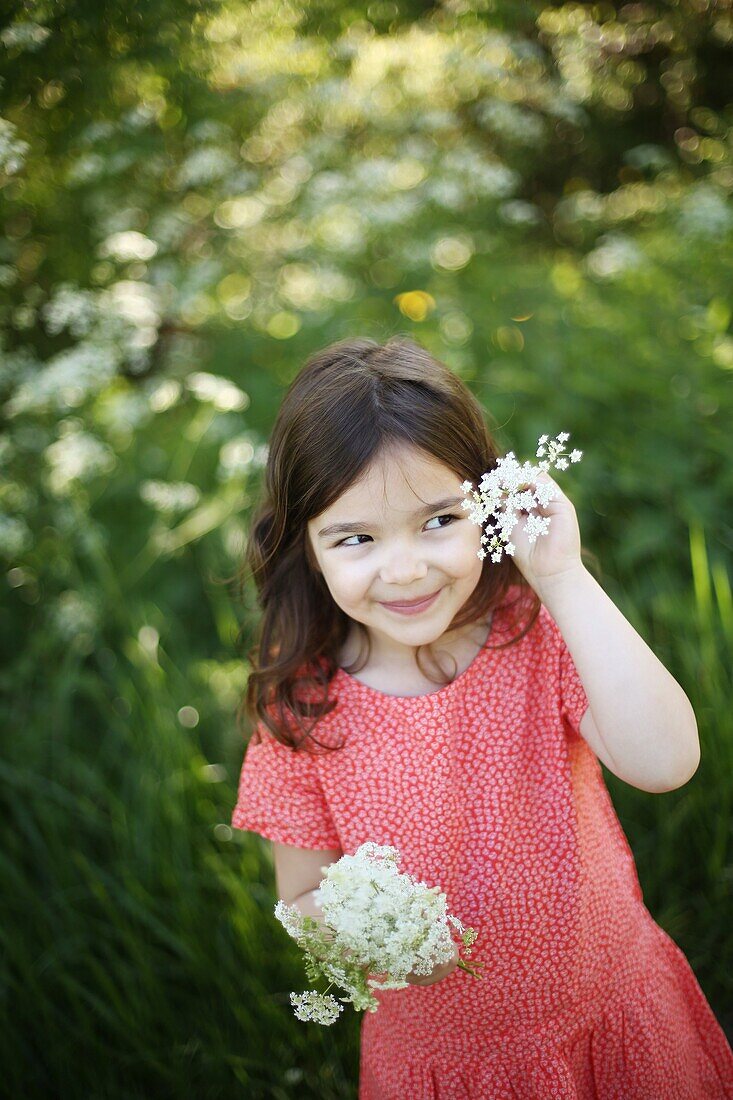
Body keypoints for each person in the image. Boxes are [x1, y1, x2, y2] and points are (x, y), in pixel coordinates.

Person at [230, 335, 733, 1098]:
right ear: (305, 545)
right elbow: (300, 898)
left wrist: (560, 575)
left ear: (488, 505)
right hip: (443, 1065)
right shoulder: (299, 706)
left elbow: (664, 765)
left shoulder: (530, 627)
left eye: (437, 520)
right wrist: (380, 938)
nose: (403, 568)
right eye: (356, 538)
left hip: (610, 1013)